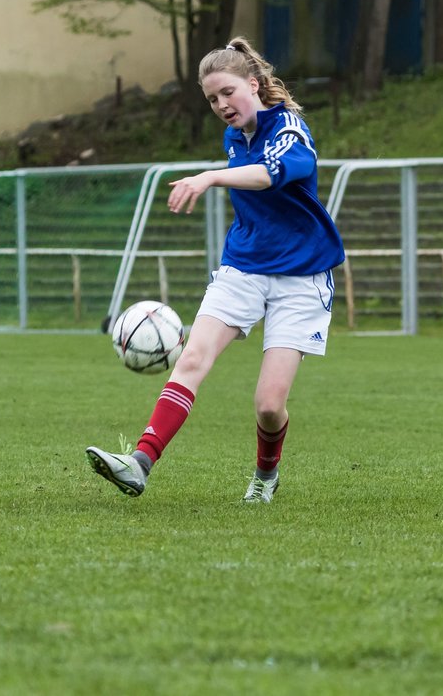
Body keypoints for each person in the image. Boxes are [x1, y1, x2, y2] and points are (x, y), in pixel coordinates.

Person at [85, 37, 345, 503]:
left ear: (253, 83)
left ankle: (266, 475)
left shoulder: (289, 128)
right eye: (211, 99)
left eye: (227, 93)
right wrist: (215, 173)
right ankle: (140, 462)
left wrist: (209, 176)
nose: (221, 105)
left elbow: (271, 173)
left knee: (269, 406)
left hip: (302, 276)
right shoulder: (233, 137)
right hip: (243, 266)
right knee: (192, 359)